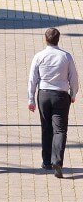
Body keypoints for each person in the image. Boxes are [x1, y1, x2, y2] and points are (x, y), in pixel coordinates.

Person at [28, 28, 79, 178]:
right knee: (60, 130)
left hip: (44, 94)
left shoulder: (39, 56)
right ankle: (57, 161)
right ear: (59, 39)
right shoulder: (66, 56)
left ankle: (46, 161)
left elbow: (33, 79)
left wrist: (31, 99)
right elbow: (74, 78)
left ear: (45, 39)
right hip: (61, 96)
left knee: (46, 128)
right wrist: (73, 94)